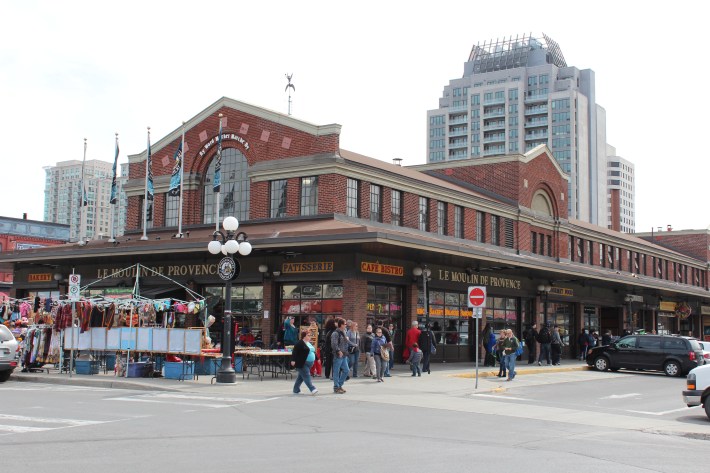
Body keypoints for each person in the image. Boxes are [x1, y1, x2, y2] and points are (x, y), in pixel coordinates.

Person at [290, 330, 318, 395]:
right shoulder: (299, 343)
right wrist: (293, 360)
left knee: (301, 377)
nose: (310, 336)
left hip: (309, 363)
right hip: (302, 363)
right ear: (304, 336)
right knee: (306, 375)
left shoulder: (308, 343)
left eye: (310, 335)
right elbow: (294, 352)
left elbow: (313, 351)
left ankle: (296, 390)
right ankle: (312, 389)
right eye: (308, 335)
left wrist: (317, 358)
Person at [331, 318, 350, 394]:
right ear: (341, 325)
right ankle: (336, 387)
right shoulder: (335, 333)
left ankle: (339, 385)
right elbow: (334, 344)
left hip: (344, 354)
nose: (346, 325)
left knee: (346, 370)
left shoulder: (344, 332)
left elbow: (345, 343)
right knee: (336, 371)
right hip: (338, 355)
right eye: (345, 324)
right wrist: (338, 351)